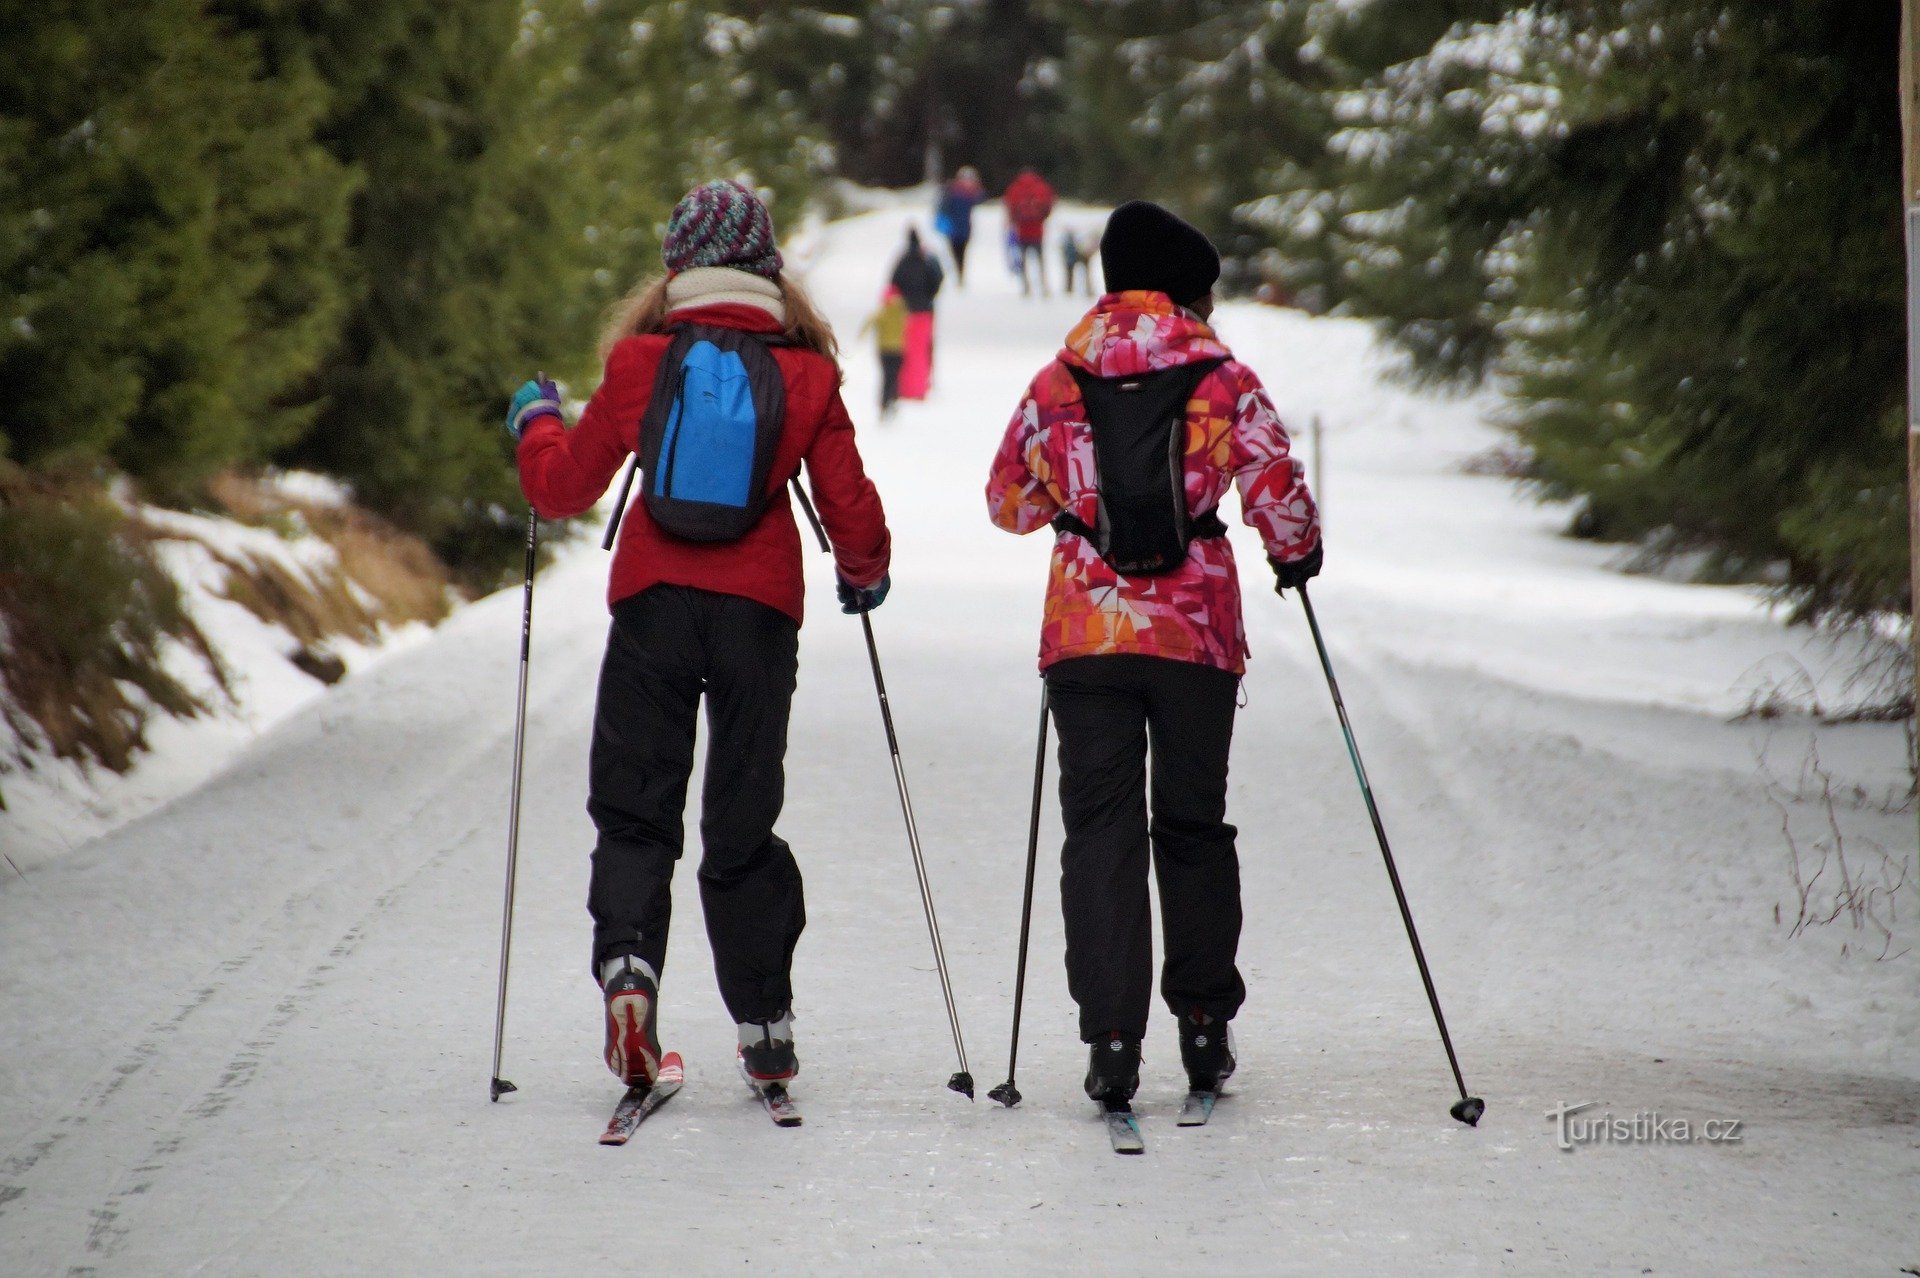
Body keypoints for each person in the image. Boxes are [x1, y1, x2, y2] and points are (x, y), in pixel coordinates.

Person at [508, 179, 892, 1104]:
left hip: (653, 602)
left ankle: (631, 974)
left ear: (679, 262)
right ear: (765, 263)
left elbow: (562, 489)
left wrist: (536, 424)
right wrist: (863, 572)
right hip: (760, 614)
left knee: (637, 810)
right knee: (740, 819)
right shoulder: (805, 371)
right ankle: (764, 1025)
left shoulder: (645, 360)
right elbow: (849, 506)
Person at [983, 200, 1321, 1108]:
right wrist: (1297, 554)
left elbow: (1005, 503)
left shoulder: (1059, 379)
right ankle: (1205, 1028)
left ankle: (1112, 1041)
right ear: (1187, 292)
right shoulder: (1223, 374)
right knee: (1192, 825)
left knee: (1100, 831)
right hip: (1194, 635)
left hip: (1086, 636)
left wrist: (1072, 503)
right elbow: (1277, 486)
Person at [887, 228, 944, 400]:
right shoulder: (928, 259)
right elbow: (938, 279)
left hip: (906, 313)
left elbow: (893, 283)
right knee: (923, 350)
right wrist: (929, 296)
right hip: (925, 311)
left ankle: (905, 388)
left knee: (907, 351)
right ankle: (921, 387)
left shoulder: (902, 260)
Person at [1002, 167, 1056, 297]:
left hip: (1022, 230)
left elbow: (1010, 206)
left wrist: (1012, 221)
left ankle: (1026, 287)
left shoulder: (1015, 187)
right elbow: (1049, 204)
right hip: (1037, 230)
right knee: (1040, 260)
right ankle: (1043, 285)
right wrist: (1043, 218)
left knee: (1023, 260)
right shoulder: (1042, 186)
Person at [859, 285, 908, 418]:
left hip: (885, 350)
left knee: (887, 376)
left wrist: (861, 335)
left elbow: (869, 322)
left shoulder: (883, 312)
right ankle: (892, 399)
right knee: (893, 376)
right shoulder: (902, 312)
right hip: (897, 349)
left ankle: (886, 402)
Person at [934, 166, 985, 285]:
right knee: (958, 253)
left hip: (961, 228)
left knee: (959, 253)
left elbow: (981, 198)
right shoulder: (955, 192)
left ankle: (959, 274)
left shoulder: (957, 191)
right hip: (956, 227)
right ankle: (959, 273)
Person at [1061, 229, 1096, 297]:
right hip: (1074, 253)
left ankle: (1087, 289)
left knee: (1085, 272)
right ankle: (1069, 290)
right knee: (1070, 272)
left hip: (1083, 252)